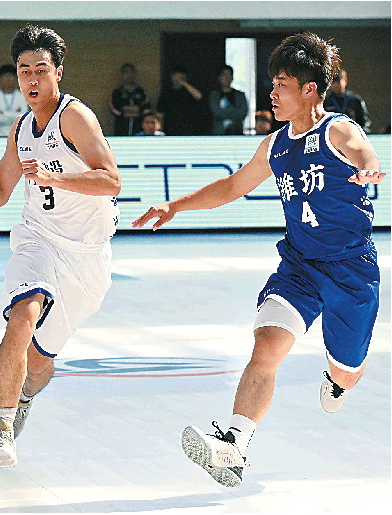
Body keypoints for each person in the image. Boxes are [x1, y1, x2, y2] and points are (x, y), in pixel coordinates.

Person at [133, 32, 385, 488]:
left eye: (282, 84)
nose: (272, 92)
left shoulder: (336, 129)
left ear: (309, 89)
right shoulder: (275, 144)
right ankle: (233, 445)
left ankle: (338, 380)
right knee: (266, 345)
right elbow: (231, 186)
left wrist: (367, 166)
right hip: (300, 266)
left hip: (351, 270)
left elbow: (361, 148)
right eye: (273, 83)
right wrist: (175, 206)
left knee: (347, 372)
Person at [0, 25, 121, 469]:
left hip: (87, 257)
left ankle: (23, 395)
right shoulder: (21, 128)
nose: (32, 78)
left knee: (38, 363)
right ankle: (1, 430)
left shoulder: (75, 117)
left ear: (58, 72)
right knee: (22, 315)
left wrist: (53, 176)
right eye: (24, 70)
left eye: (41, 69)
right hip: (37, 238)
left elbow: (111, 181)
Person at [157, 65, 203, 135]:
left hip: (188, 128)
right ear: (172, 76)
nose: (178, 79)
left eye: (182, 77)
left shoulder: (189, 91)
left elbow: (199, 96)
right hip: (170, 128)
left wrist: (184, 83)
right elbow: (160, 112)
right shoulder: (166, 92)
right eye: (177, 77)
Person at [323, 68, 372, 133]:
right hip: (333, 133)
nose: (336, 85)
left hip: (352, 133)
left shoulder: (355, 100)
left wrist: (359, 133)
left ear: (345, 81)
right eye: (333, 82)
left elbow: (364, 121)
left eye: (338, 81)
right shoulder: (326, 101)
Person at [109, 63, 151, 136]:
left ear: (134, 74)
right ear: (122, 74)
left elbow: (147, 106)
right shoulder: (117, 92)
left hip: (138, 128)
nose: (129, 75)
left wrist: (138, 112)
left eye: (131, 72)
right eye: (126, 72)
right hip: (121, 127)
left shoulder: (141, 91)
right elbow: (112, 108)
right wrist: (123, 113)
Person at [0, 64, 28, 136]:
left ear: (15, 78)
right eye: (5, 76)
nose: (8, 79)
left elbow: (24, 118)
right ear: (0, 78)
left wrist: (4, 113)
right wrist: (15, 114)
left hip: (18, 135)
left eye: (10, 76)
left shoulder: (22, 96)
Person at [208, 65, 248, 135]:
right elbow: (216, 111)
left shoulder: (240, 95)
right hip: (218, 133)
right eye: (224, 75)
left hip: (237, 132)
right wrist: (234, 113)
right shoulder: (214, 96)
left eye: (229, 75)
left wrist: (227, 113)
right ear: (219, 78)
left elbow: (243, 112)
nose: (227, 78)